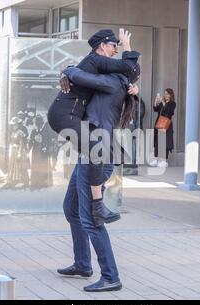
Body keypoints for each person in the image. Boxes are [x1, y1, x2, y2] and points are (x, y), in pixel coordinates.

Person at [56, 60, 141, 292]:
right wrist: (64, 74)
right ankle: (83, 264)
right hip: (89, 155)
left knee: (92, 220)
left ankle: (110, 276)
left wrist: (69, 71)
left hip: (98, 157)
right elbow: (79, 79)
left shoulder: (111, 85)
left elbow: (91, 75)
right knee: (71, 209)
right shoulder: (102, 88)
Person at [48, 28, 139, 225]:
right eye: (114, 46)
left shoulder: (95, 64)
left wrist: (68, 69)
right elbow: (128, 68)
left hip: (70, 115)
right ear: (102, 47)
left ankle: (97, 206)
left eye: (117, 46)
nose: (116, 50)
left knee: (96, 151)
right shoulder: (96, 61)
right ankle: (97, 206)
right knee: (97, 151)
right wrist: (68, 71)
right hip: (64, 115)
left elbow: (131, 72)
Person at [149, 88, 176, 168]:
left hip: (167, 124)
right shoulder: (162, 103)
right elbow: (155, 109)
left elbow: (169, 112)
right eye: (165, 93)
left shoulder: (172, 103)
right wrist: (156, 101)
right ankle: (157, 159)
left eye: (167, 94)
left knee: (165, 142)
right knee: (158, 141)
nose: (165, 95)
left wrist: (164, 103)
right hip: (159, 123)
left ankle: (164, 161)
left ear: (171, 95)